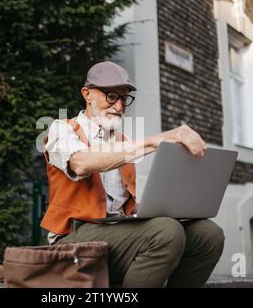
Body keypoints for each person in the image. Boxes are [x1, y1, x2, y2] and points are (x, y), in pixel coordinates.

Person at [41, 61, 224, 288]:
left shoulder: (123, 143)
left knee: (208, 234)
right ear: (87, 94)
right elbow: (80, 163)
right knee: (166, 232)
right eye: (111, 96)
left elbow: (125, 207)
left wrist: (163, 208)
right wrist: (153, 141)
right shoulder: (63, 128)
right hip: (71, 239)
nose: (119, 106)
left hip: (119, 232)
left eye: (124, 99)